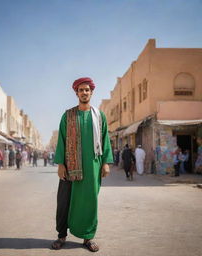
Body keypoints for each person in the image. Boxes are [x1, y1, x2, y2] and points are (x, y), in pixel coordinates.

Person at [51, 77, 113, 252]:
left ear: (91, 92)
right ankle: (61, 236)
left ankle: (88, 237)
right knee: (64, 201)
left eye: (87, 90)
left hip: (93, 166)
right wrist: (61, 164)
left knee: (89, 202)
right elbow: (62, 140)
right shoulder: (68, 115)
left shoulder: (99, 116)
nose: (84, 92)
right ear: (76, 93)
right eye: (81, 90)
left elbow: (105, 139)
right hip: (70, 167)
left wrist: (106, 163)